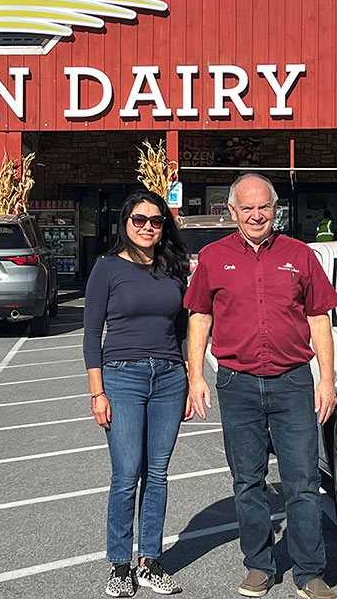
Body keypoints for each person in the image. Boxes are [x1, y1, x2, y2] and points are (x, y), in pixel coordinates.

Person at [186, 174, 337, 599]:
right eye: (247, 208)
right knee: (247, 481)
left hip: (292, 384)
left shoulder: (300, 255)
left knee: (303, 481)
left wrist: (327, 380)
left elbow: (318, 318)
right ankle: (259, 565)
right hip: (237, 384)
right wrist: (195, 375)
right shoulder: (213, 257)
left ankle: (311, 573)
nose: (256, 215)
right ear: (232, 212)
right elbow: (199, 316)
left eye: (264, 207)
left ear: (276, 210)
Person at [83, 188, 192, 597]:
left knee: (158, 475)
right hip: (122, 377)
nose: (148, 227)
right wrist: (98, 392)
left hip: (168, 378)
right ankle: (119, 564)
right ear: (125, 223)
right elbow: (92, 334)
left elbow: (181, 330)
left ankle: (150, 561)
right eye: (139, 220)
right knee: (126, 475)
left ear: (165, 226)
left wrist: (186, 376)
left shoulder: (173, 268)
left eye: (156, 221)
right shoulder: (107, 268)